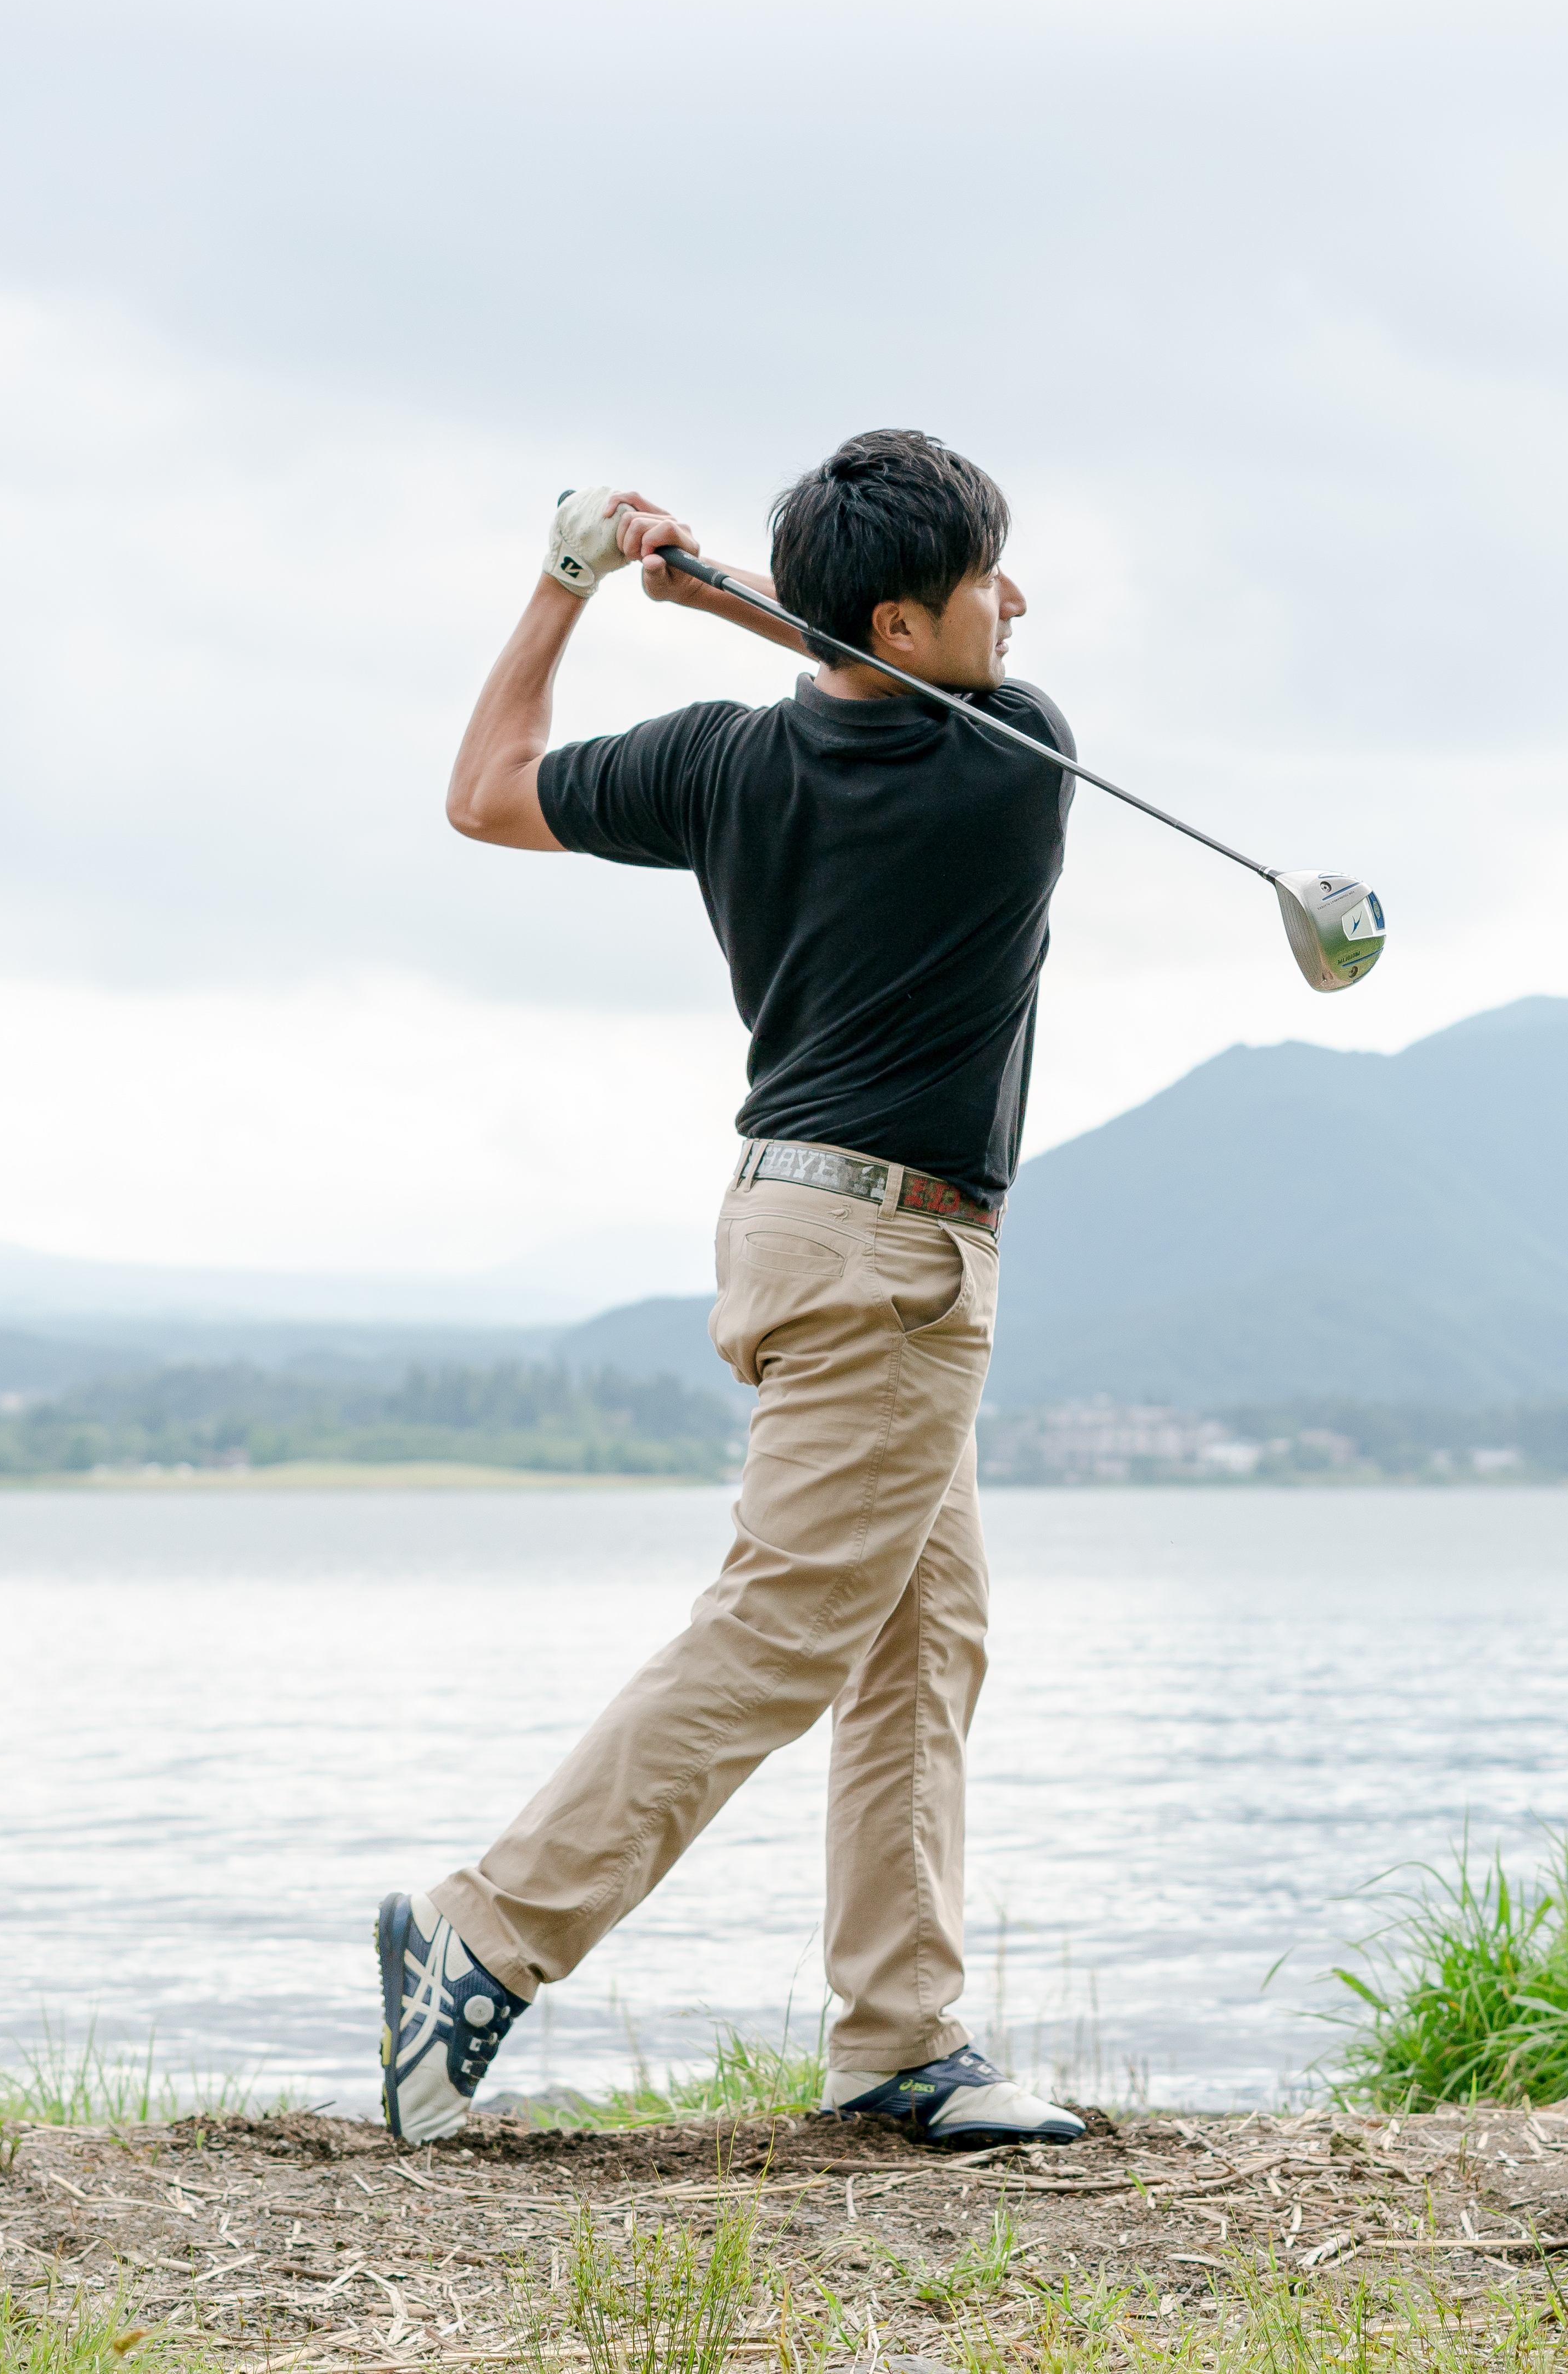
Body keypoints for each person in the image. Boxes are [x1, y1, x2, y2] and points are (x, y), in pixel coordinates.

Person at [380, 429, 1089, 2152]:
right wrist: (730, 604)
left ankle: (900, 2040)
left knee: (923, 1641)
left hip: (785, 1225)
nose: (1018, 597)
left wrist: (575, 589)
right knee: (782, 1636)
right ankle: (485, 1933)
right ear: (906, 629)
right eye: (986, 579)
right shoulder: (1021, 763)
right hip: (900, 1266)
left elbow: (486, 788)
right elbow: (905, 676)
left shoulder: (716, 765)